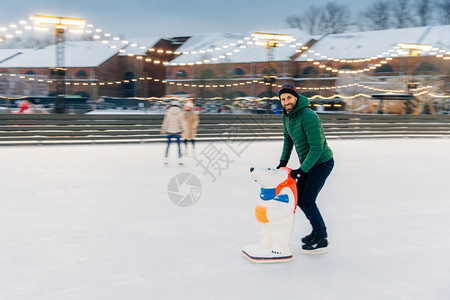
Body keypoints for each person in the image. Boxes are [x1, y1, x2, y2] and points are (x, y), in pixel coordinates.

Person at [276, 84, 334, 253]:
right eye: (283, 99)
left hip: (322, 163)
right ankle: (316, 232)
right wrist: (282, 162)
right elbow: (288, 140)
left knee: (307, 200)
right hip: (309, 164)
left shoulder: (309, 116)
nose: (286, 101)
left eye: (289, 98)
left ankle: (321, 237)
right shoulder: (287, 116)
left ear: (296, 98)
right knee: (301, 199)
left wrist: (302, 170)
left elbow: (317, 147)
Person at [161, 100, 184, 165]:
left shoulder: (168, 113)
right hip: (177, 131)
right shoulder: (180, 113)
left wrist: (163, 130)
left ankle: (166, 160)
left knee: (168, 146)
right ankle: (180, 160)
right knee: (179, 146)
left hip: (169, 131)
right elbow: (181, 123)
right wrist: (183, 130)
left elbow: (165, 123)